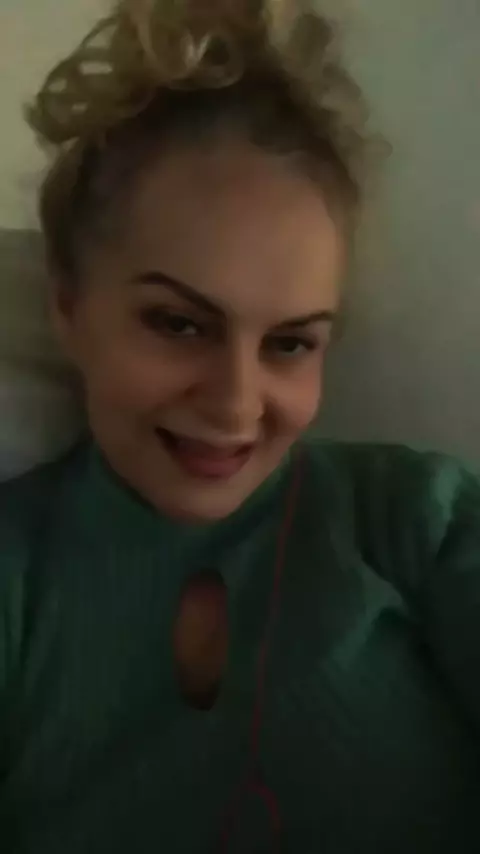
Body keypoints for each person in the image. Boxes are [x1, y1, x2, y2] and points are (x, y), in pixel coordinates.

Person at [1, 1, 479, 851]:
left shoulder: (422, 520)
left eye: (290, 343)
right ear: (67, 307)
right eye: (179, 324)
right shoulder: (15, 577)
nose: (236, 404)